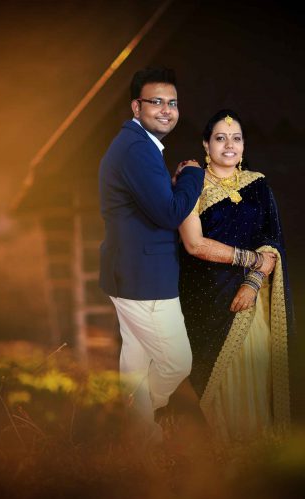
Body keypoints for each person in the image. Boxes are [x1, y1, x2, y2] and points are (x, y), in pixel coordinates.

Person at [98, 67, 206, 446]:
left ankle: (138, 439)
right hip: (144, 278)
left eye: (172, 103)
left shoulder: (137, 145)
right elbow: (169, 213)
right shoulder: (137, 150)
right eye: (156, 102)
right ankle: (143, 419)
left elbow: (150, 202)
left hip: (129, 271)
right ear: (136, 107)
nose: (166, 110)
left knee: (135, 360)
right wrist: (193, 175)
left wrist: (171, 185)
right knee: (177, 361)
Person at [178, 109, 294, 446]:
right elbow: (194, 245)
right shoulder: (191, 185)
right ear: (206, 145)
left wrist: (252, 282)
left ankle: (257, 455)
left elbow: (273, 242)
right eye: (220, 138)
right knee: (218, 381)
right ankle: (224, 458)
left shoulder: (258, 184)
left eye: (236, 138)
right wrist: (252, 259)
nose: (229, 145)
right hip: (206, 299)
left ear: (243, 145)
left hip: (250, 302)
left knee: (254, 373)